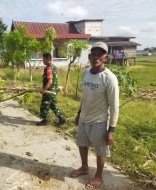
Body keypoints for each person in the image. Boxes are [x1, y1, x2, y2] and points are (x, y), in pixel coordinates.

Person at [71, 42, 119, 189]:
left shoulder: (109, 78)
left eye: (100, 54)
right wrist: (79, 113)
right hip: (84, 119)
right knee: (81, 144)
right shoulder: (85, 73)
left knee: (100, 150)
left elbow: (114, 106)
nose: (96, 57)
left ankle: (98, 176)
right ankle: (84, 167)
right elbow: (84, 97)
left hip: (99, 121)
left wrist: (111, 129)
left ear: (106, 58)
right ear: (89, 56)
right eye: (94, 54)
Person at [36, 52, 66, 128]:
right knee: (52, 105)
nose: (43, 61)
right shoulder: (54, 67)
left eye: (43, 59)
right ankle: (62, 118)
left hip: (49, 91)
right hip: (53, 90)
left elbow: (50, 81)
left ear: (47, 59)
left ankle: (45, 121)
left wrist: (44, 89)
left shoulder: (49, 68)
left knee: (44, 106)